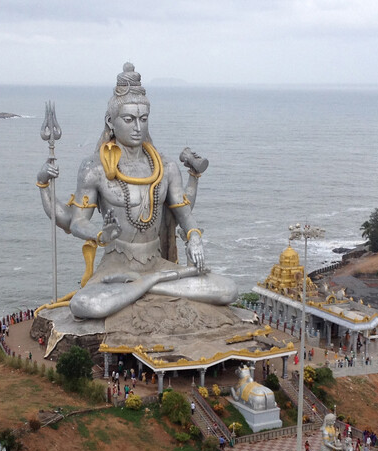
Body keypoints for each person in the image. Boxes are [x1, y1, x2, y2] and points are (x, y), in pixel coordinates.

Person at [36, 63, 238, 320]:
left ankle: (146, 284)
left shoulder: (165, 167)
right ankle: (153, 285)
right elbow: (76, 222)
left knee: (227, 290)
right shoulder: (94, 168)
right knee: (86, 304)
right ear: (111, 120)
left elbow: (185, 214)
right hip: (116, 267)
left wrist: (194, 238)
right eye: (129, 119)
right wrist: (100, 234)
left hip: (156, 262)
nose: (137, 128)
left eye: (143, 120)